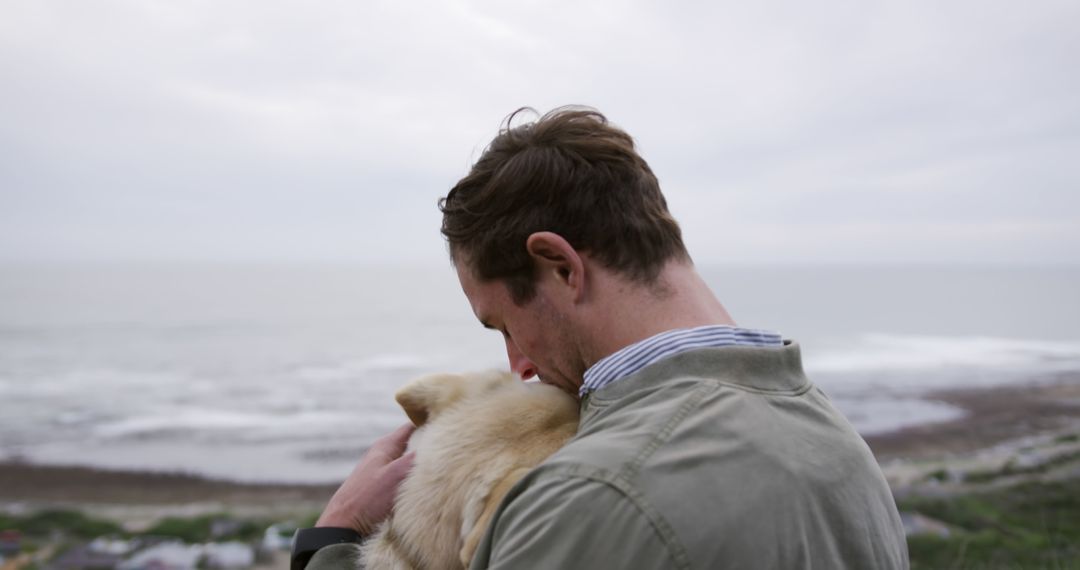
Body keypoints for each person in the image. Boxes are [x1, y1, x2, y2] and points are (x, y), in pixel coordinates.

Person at [296, 107, 909, 569]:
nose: (518, 366)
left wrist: (336, 533)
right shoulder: (841, 446)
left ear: (560, 266)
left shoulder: (590, 493)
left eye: (506, 325)